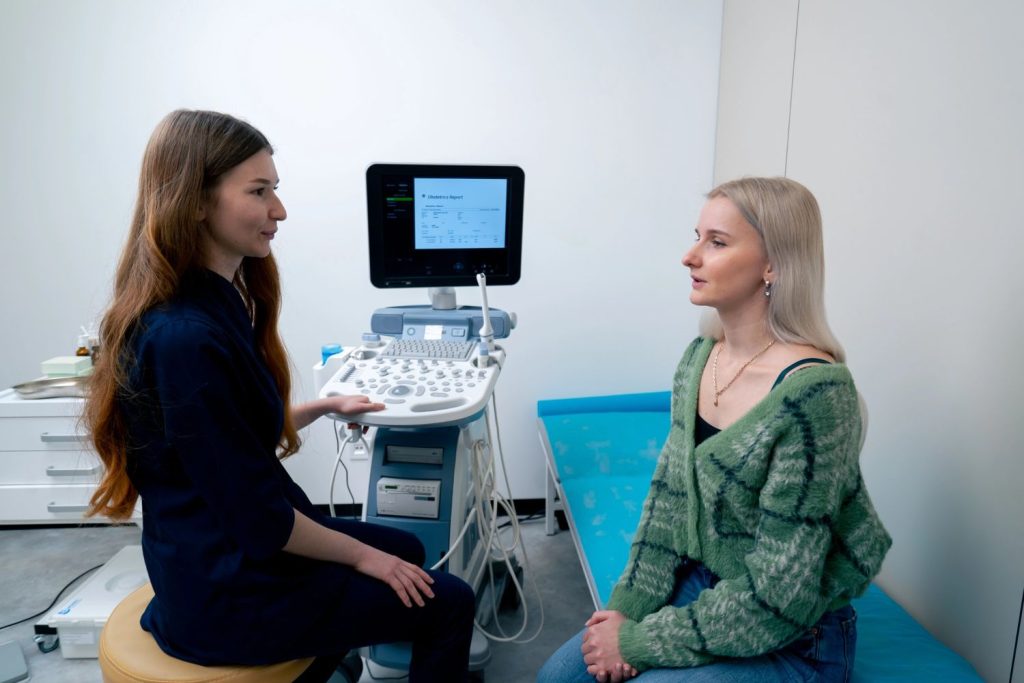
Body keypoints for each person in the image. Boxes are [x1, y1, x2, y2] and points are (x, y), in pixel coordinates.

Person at [85, 109, 475, 682]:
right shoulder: (185, 338)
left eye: (276, 190)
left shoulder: (211, 305)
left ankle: (323, 660)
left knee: (407, 548)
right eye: (259, 191)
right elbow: (261, 520)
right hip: (229, 594)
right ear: (194, 200)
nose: (279, 211)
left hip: (223, 548)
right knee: (449, 600)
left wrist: (321, 405)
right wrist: (370, 560)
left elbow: (225, 440)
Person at [538, 177, 892, 682]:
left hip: (794, 635)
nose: (690, 256)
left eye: (717, 242)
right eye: (697, 236)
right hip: (701, 586)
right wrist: (625, 609)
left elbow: (780, 597)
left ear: (774, 264)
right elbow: (668, 500)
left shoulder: (816, 396)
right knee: (558, 677)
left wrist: (639, 641)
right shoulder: (702, 357)